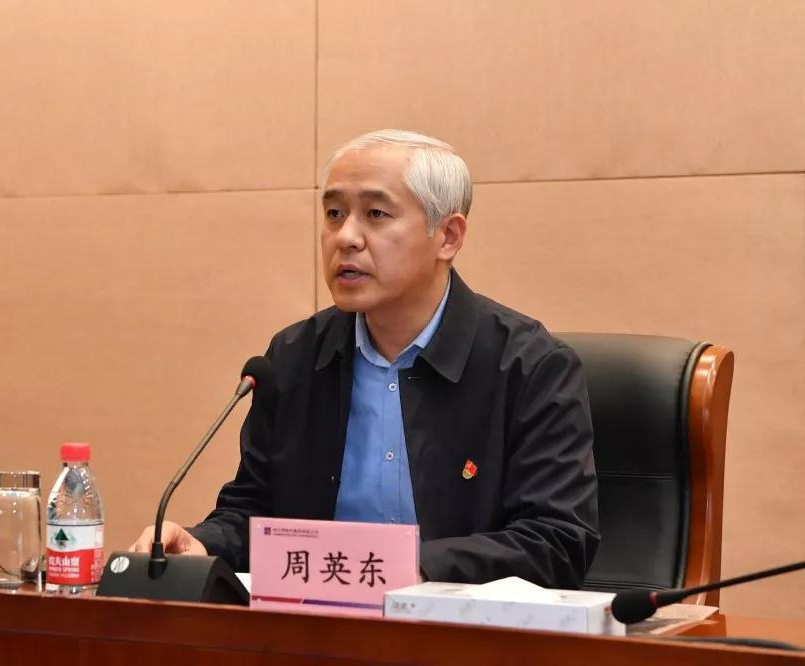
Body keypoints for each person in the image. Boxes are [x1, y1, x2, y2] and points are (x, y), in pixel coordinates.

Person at [131, 129, 599, 587]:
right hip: (319, 626)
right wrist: (202, 542)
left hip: (463, 628)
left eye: (375, 214)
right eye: (334, 214)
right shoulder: (292, 359)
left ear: (448, 236)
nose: (346, 237)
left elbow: (556, 540)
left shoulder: (529, 366)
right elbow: (255, 512)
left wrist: (411, 569)